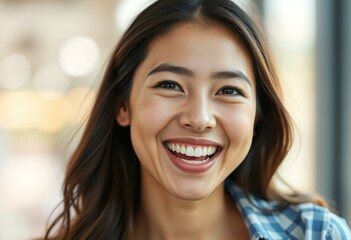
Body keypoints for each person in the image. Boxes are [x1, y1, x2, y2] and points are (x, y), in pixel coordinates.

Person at [42, 0, 351, 239]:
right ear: (123, 106)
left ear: (257, 115)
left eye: (229, 90)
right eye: (170, 85)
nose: (200, 118)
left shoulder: (316, 233)